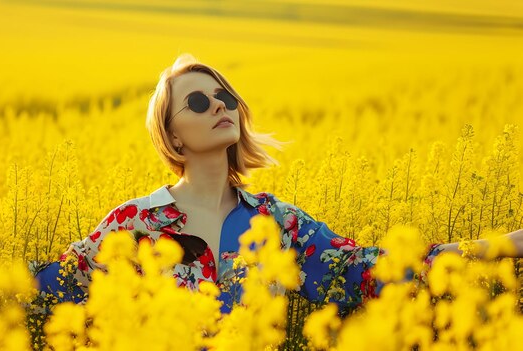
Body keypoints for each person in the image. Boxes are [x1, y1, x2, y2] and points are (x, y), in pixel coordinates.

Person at [32, 54, 523, 316]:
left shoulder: (277, 222)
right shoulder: (135, 223)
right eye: (198, 103)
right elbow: (54, 287)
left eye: (223, 95)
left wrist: (501, 245)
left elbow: (367, 271)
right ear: (172, 137)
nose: (219, 105)